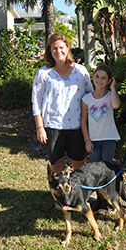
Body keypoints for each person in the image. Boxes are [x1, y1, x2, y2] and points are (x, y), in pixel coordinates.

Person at [32, 33, 93, 174]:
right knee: (57, 163)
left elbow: (90, 96)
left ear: (67, 48)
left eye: (61, 47)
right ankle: (59, 194)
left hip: (77, 127)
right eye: (54, 48)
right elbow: (36, 101)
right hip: (53, 127)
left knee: (80, 164)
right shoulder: (43, 73)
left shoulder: (80, 71)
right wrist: (39, 127)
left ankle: (79, 192)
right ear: (49, 51)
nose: (58, 51)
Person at [81, 64, 121, 214]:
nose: (99, 80)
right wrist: (87, 140)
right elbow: (83, 121)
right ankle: (99, 199)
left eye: (104, 78)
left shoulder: (110, 96)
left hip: (108, 139)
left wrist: (113, 88)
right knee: (95, 172)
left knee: (106, 170)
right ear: (93, 76)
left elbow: (116, 105)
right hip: (93, 141)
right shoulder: (86, 99)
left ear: (109, 80)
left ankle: (106, 201)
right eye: (97, 76)